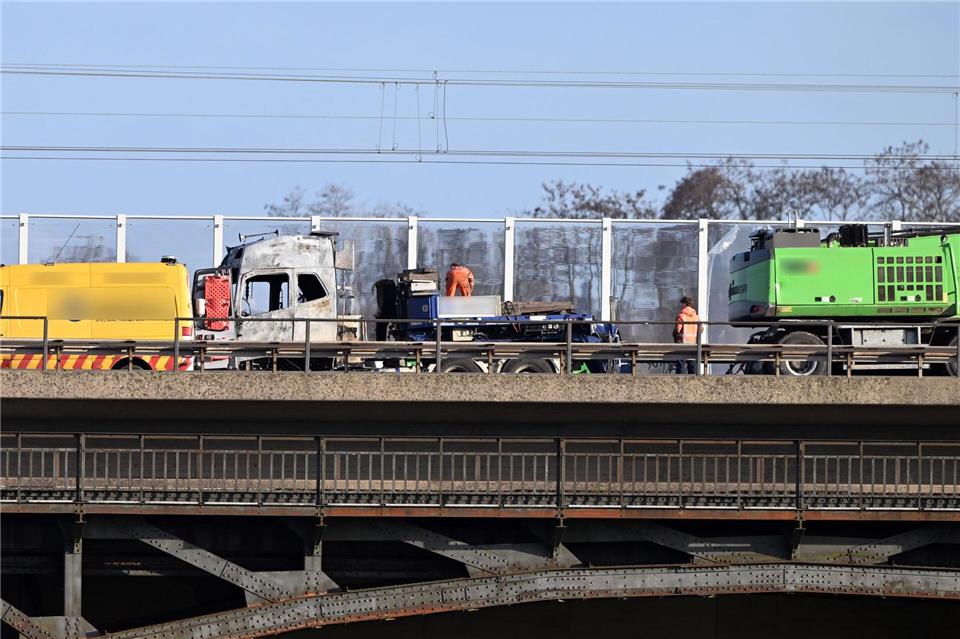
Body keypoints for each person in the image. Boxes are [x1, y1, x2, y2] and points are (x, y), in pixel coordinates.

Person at [673, 296, 701, 374]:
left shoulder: (681, 316)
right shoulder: (696, 317)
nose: (681, 306)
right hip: (693, 343)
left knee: (681, 363)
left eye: (682, 304)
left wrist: (674, 334)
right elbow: (701, 329)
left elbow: (677, 330)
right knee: (691, 363)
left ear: (685, 304)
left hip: (682, 342)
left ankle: (680, 381)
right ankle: (693, 382)